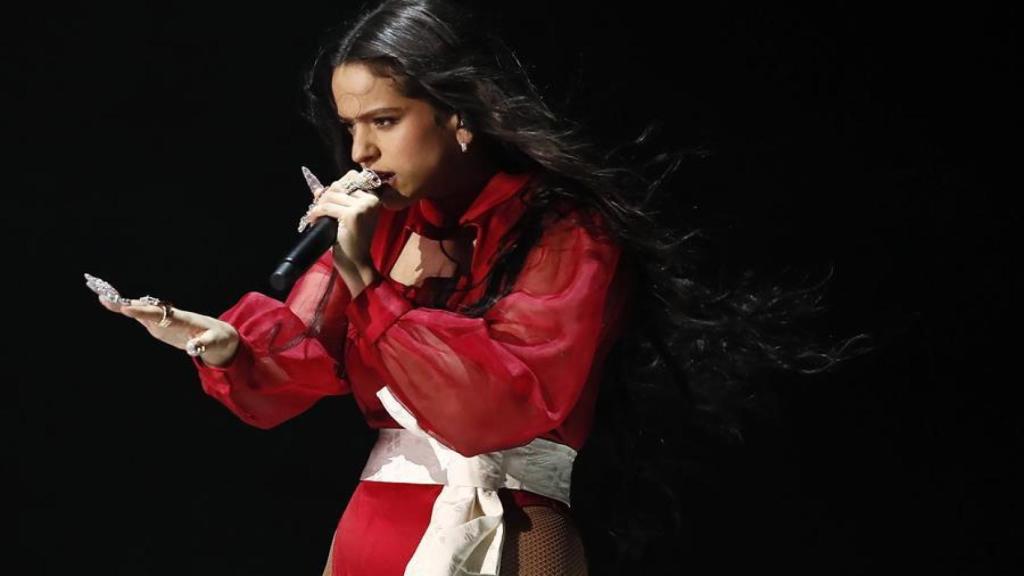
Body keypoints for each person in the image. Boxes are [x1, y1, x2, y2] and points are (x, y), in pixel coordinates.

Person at [92, 1, 864, 574]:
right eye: (349, 126)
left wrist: (367, 282)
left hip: (510, 531)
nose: (359, 152)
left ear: (459, 115)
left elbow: (491, 403)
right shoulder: (388, 227)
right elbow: (301, 360)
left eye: (384, 122)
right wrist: (224, 344)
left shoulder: (568, 232)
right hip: (374, 532)